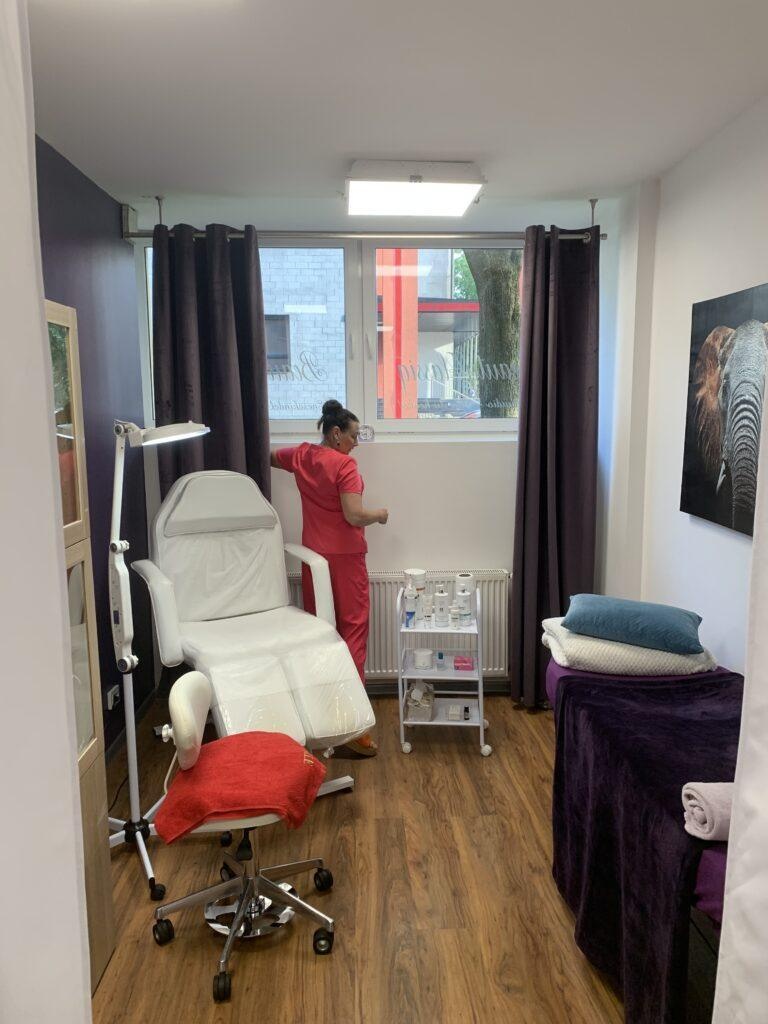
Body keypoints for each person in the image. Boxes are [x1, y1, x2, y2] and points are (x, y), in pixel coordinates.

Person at [271, 399, 388, 756]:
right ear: (336, 434)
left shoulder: (301, 456)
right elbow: (354, 515)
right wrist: (379, 514)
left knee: (322, 632)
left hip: (314, 560)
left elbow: (269, 456)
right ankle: (353, 726)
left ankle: (321, 715)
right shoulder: (344, 465)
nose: (356, 444)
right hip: (346, 559)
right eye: (353, 436)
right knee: (354, 632)